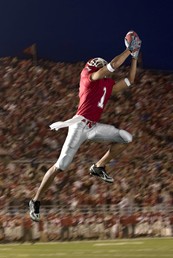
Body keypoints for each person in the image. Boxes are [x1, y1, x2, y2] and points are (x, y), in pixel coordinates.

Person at [29, 31, 142, 222]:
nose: (100, 66)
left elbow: (130, 80)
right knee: (60, 166)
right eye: (98, 64)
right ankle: (35, 200)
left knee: (126, 138)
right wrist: (127, 50)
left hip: (93, 127)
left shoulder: (106, 85)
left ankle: (98, 167)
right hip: (79, 125)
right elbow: (113, 66)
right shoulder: (91, 78)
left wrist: (134, 57)